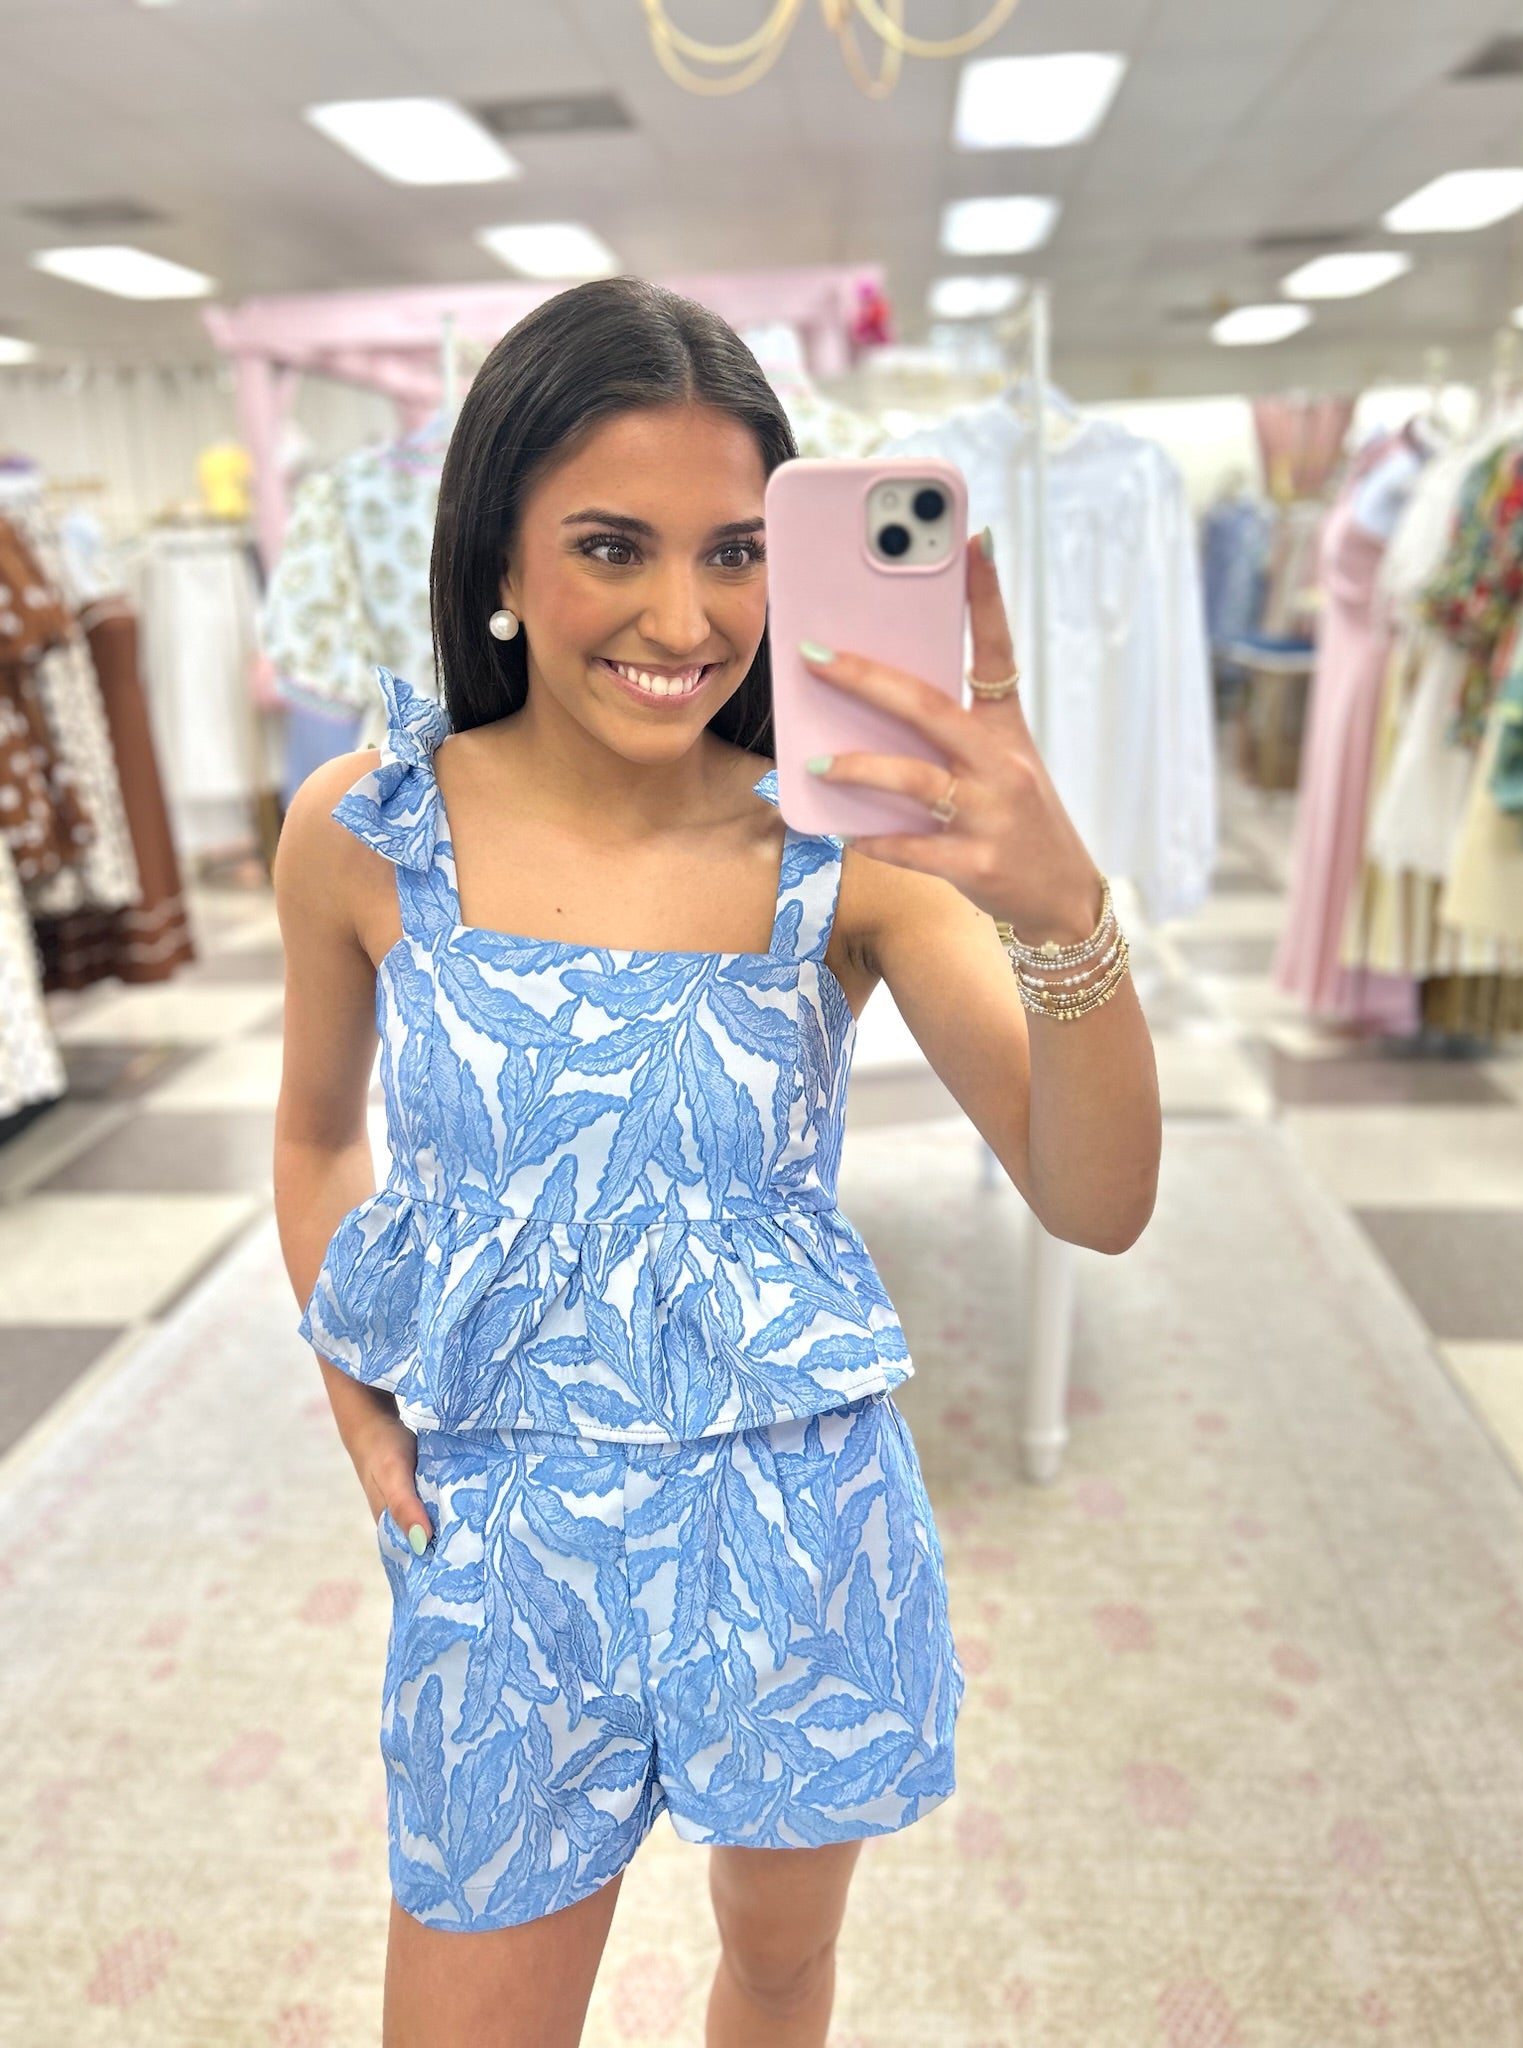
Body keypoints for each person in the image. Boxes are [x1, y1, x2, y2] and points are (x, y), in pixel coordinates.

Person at [272, 276, 1161, 2048]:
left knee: (774, 1964)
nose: (684, 620)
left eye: (737, 554)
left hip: (794, 1525)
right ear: (500, 556)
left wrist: (1065, 915)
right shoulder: (369, 830)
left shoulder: (848, 851)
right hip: (504, 1547)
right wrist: (351, 1386)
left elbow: (1098, 1198)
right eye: (612, 546)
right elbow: (311, 1135)